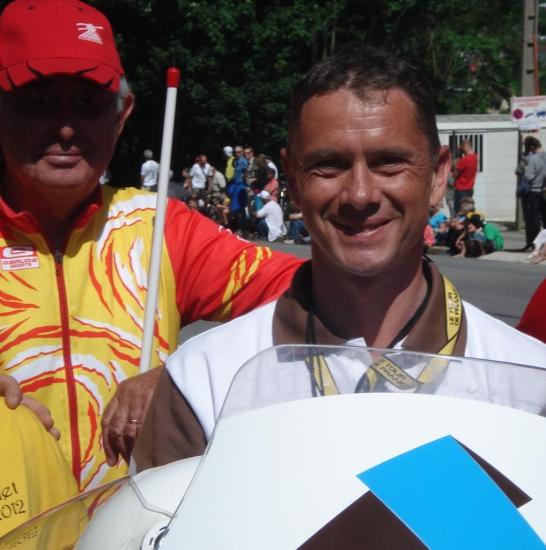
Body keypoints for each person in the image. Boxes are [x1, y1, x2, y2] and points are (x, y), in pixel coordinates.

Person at [134, 45, 546, 469]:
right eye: (329, 165)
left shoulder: (530, 382)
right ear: (292, 179)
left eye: (389, 163)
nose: (360, 195)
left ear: (439, 174)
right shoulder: (202, 380)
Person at [0, 0, 301, 491]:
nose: (67, 127)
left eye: (89, 103)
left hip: (134, 532)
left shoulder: (160, 227)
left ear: (121, 115)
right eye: (38, 101)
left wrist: (185, 373)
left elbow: (312, 296)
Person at [518, 136, 546, 252]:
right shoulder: (544, 156)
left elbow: (530, 176)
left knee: (532, 220)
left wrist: (523, 171)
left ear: (531, 147)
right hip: (543, 191)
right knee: (544, 218)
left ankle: (534, 244)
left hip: (532, 191)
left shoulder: (532, 158)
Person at [452, 139, 478, 214]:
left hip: (461, 190)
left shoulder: (464, 160)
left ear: (465, 147)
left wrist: (456, 162)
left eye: (461, 149)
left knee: (459, 212)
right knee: (468, 211)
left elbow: (454, 175)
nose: (461, 151)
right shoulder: (475, 157)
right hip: (469, 189)